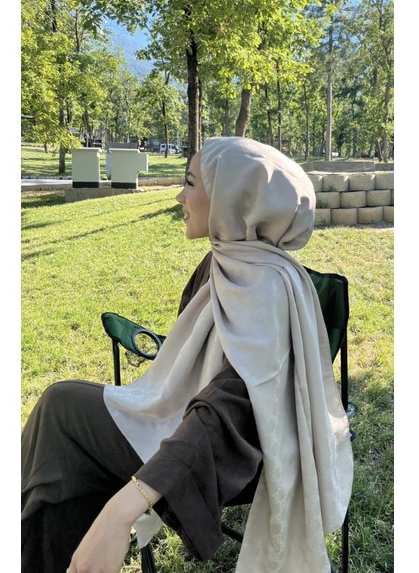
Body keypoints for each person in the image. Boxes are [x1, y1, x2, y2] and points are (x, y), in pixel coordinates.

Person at [22, 137, 353, 573]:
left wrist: (126, 505)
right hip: (193, 422)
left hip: (231, 452)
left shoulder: (265, 287)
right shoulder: (225, 263)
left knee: (60, 416)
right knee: (60, 434)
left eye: (191, 183)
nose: (180, 195)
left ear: (233, 199)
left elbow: (234, 407)